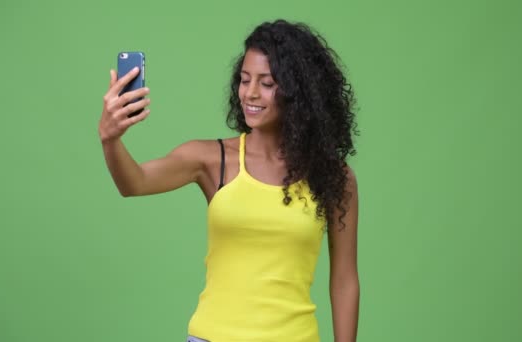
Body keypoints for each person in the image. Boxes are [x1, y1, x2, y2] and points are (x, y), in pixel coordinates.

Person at [99, 19, 359, 342]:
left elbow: (344, 280)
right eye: (245, 79)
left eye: (266, 83)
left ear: (297, 92)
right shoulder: (211, 159)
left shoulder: (333, 177)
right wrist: (110, 140)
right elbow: (133, 183)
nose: (250, 92)